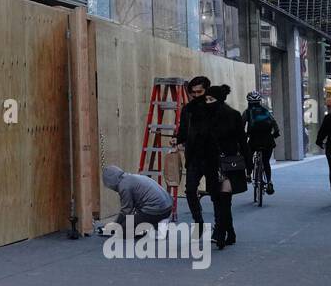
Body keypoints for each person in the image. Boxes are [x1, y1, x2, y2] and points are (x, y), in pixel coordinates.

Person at [173, 75, 219, 237]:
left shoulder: (215, 107)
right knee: (190, 190)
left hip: (213, 156)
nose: (196, 96)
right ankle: (198, 222)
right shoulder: (188, 110)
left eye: (199, 92)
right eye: (193, 93)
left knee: (216, 193)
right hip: (194, 156)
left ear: (207, 90)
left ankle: (220, 227)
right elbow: (183, 129)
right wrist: (178, 140)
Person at [209, 84, 246, 249]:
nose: (208, 102)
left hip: (229, 163)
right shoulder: (203, 116)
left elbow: (242, 140)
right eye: (206, 99)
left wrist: (249, 164)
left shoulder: (233, 115)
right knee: (219, 199)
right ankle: (229, 232)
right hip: (211, 163)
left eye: (211, 99)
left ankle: (219, 233)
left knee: (223, 199)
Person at [101, 164, 173, 232]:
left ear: (110, 182)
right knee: (131, 220)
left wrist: (115, 225)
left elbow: (126, 210)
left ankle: (154, 225)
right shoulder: (130, 177)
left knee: (123, 230)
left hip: (156, 211)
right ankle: (161, 222)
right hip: (168, 208)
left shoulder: (123, 186)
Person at [242, 90, 280, 194]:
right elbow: (274, 123)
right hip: (268, 140)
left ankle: (249, 175)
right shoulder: (266, 111)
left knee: (248, 156)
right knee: (266, 162)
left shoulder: (247, 112)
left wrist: (243, 137)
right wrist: (275, 134)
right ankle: (269, 182)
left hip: (254, 140)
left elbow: (241, 126)